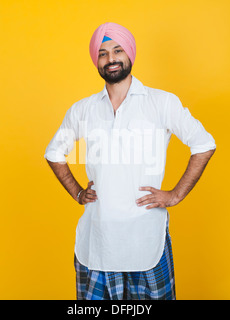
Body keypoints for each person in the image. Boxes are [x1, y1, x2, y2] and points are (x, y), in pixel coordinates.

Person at [44, 22, 216, 300]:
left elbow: (204, 144)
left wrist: (175, 194)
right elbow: (54, 152)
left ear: (130, 54)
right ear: (96, 61)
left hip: (146, 242)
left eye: (117, 50)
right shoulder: (83, 109)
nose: (111, 59)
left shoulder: (161, 103)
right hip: (97, 243)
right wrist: (77, 191)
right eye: (102, 53)